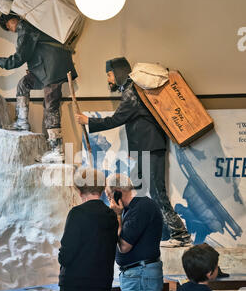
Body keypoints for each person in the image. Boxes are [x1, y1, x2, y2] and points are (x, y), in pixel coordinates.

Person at [75, 56, 192, 247]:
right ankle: (162, 233)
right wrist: (134, 151)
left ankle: (180, 235)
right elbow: (139, 125)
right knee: (139, 188)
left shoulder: (131, 92)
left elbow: (116, 120)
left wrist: (88, 121)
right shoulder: (132, 91)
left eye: (110, 74)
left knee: (157, 191)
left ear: (119, 72)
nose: (109, 79)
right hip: (144, 150)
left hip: (150, 149)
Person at [0, 13, 77, 163]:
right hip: (45, 68)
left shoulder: (25, 28)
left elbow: (20, 57)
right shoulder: (30, 27)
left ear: (12, 19)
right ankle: (22, 122)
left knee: (51, 105)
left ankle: (57, 150)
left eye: (9, 26)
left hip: (52, 69)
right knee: (24, 84)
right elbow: (35, 52)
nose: (11, 30)